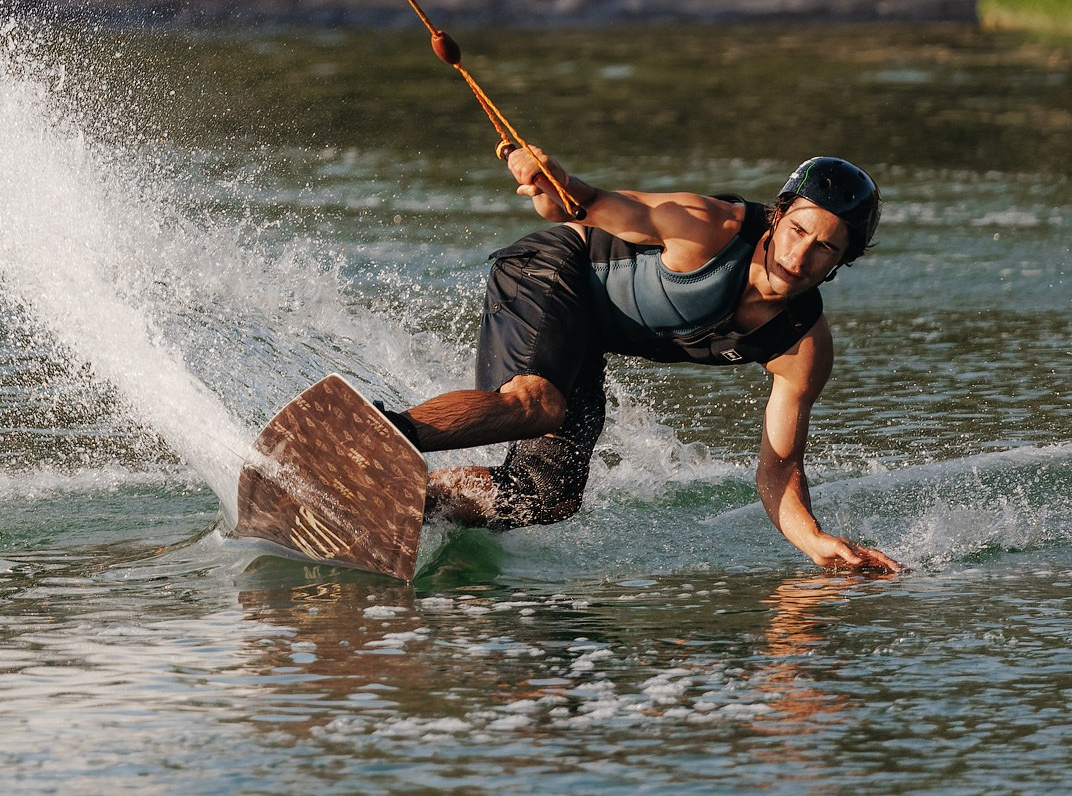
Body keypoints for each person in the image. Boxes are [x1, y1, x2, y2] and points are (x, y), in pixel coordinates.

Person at [381, 152, 902, 572]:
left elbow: (781, 465)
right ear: (778, 215)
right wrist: (553, 182)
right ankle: (380, 434)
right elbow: (587, 203)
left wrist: (812, 539)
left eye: (825, 248)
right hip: (554, 267)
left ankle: (416, 501)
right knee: (537, 405)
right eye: (798, 231)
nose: (799, 256)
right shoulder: (708, 227)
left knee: (545, 497)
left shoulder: (800, 346)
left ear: (841, 262)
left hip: (584, 336)